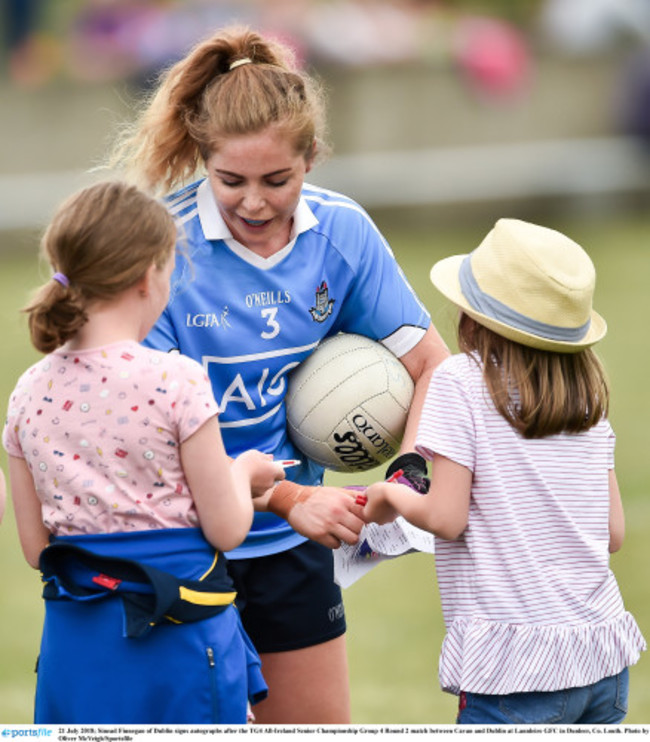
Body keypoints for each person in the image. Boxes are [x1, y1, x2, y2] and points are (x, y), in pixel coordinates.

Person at [106, 25, 450, 723]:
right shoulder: (162, 252)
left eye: (277, 180)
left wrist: (403, 478)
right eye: (231, 181)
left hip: (293, 548)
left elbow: (431, 367)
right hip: (183, 543)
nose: (254, 203)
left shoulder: (342, 235)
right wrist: (290, 497)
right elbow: (162, 439)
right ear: (203, 160)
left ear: (312, 160)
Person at [2, 180, 285, 724]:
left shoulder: (26, 393)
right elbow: (226, 529)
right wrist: (245, 470)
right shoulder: (175, 380)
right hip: (177, 643)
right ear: (147, 276)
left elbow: (39, 549)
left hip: (77, 650)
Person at [363, 218, 647, 724]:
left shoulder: (460, 382)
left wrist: (391, 497)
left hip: (515, 672)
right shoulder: (587, 398)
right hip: (602, 658)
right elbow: (613, 532)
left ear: (472, 317)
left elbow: (446, 517)